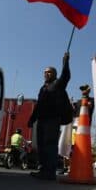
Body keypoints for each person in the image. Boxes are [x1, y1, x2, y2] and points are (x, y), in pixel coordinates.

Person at [27, 52, 71, 180]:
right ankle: (42, 170)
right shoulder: (42, 88)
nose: (46, 74)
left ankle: (50, 172)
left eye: (50, 72)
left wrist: (65, 62)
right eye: (45, 72)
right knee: (41, 145)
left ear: (55, 75)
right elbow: (38, 105)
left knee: (50, 145)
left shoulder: (58, 84)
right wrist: (32, 118)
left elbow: (66, 76)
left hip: (52, 120)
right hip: (41, 121)